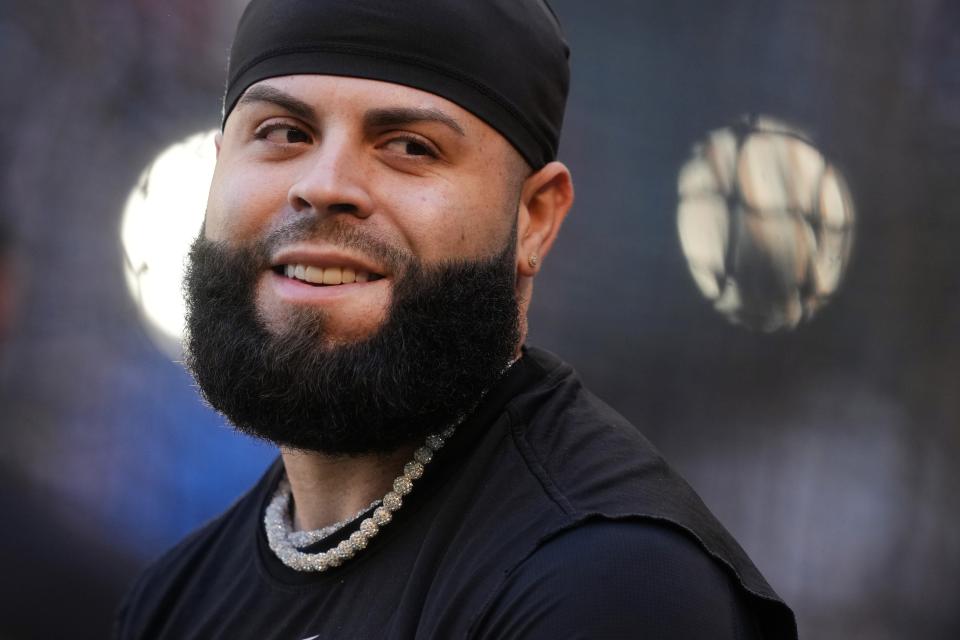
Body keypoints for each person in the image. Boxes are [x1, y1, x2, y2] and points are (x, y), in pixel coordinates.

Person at [115, 0, 797, 638]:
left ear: (534, 219)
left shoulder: (610, 583)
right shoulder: (173, 601)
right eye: (283, 133)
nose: (324, 184)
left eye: (409, 146)